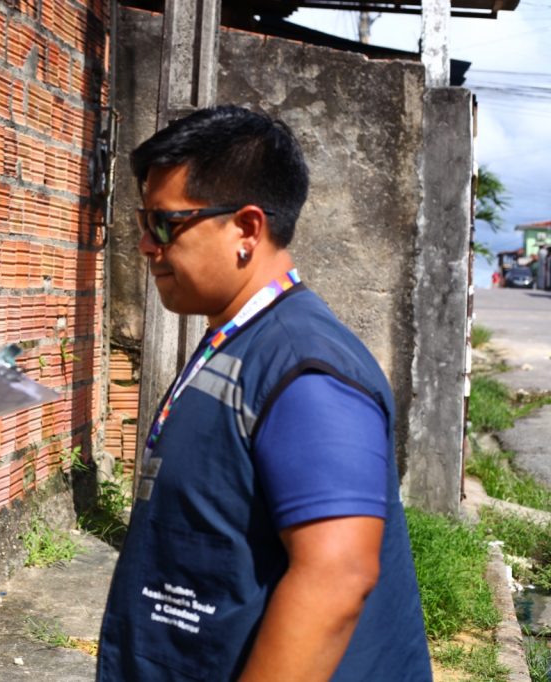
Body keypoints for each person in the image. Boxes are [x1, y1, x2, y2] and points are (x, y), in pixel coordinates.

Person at [97, 106, 431, 680]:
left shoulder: (305, 369)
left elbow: (338, 576)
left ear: (247, 229)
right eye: (141, 222)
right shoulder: (241, 339)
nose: (147, 246)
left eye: (164, 224)